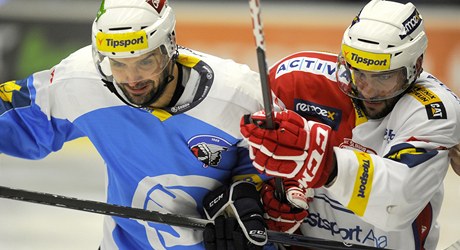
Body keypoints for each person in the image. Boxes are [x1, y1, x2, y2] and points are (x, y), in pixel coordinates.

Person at [0, 0, 272, 249]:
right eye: (118, 63)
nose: (132, 79)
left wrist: (247, 194)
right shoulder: (82, 81)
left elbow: (285, 173)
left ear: (169, 47)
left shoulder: (241, 97)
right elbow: (15, 114)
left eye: (145, 61)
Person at [240, 0, 460, 249]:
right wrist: (250, 197)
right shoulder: (294, 80)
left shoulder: (433, 109)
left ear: (416, 66)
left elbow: (397, 204)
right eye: (357, 72)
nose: (366, 89)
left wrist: (325, 164)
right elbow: (239, 145)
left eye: (383, 77)